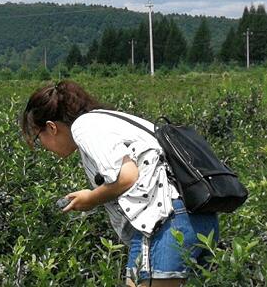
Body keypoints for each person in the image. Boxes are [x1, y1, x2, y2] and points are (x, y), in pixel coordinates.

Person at [21, 80, 218, 287]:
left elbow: (127, 176)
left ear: (51, 127)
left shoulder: (84, 127)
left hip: (164, 221)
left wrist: (90, 198)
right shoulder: (109, 120)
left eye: (37, 137)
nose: (42, 146)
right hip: (195, 216)